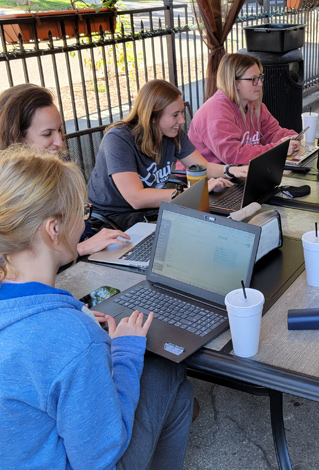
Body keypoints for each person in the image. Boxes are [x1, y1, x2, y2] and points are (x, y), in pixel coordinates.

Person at [0, 145, 194, 468]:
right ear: (54, 229)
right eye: (82, 211)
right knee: (168, 369)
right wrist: (125, 355)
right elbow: (99, 455)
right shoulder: (75, 338)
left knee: (181, 396)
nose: (85, 220)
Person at [87, 79, 246, 230]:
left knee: (211, 222)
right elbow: (137, 198)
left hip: (152, 210)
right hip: (114, 218)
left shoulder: (172, 133)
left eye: (182, 112)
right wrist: (194, 193)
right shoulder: (119, 139)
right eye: (175, 115)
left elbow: (202, 166)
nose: (182, 120)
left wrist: (231, 170)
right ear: (153, 117)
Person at [0, 83, 129, 257]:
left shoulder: (57, 171)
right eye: (47, 134)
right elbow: (13, 265)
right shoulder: (8, 192)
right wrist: (80, 249)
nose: (60, 142)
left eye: (59, 130)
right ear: (17, 138)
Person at [188, 53, 301, 166]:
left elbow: (272, 132)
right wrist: (277, 149)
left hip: (235, 173)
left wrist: (291, 138)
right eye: (253, 79)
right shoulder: (216, 111)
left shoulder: (255, 106)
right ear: (235, 82)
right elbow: (233, 155)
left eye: (260, 77)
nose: (260, 84)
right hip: (200, 179)